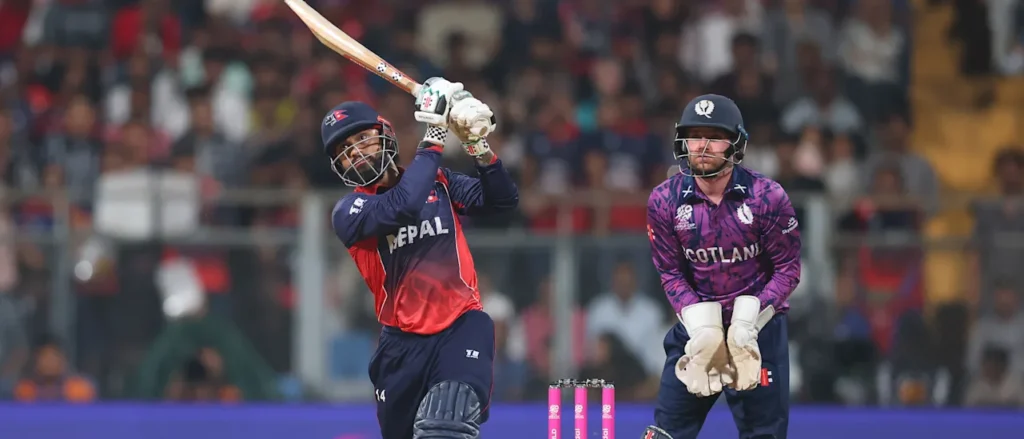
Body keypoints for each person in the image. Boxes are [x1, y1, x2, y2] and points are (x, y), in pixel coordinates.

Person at [326, 77, 518, 439]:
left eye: (361, 139)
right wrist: (436, 131)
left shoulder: (439, 181)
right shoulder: (350, 210)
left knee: (445, 425)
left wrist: (477, 145)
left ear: (384, 133)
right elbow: (403, 205)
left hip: (461, 324)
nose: (355, 151)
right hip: (400, 347)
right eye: (345, 149)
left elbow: (502, 200)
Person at [641, 94, 801, 439]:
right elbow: (670, 272)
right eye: (695, 136)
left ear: (736, 143)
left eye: (714, 137)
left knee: (764, 435)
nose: (702, 146)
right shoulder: (664, 200)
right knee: (665, 434)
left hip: (757, 333)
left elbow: (788, 268)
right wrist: (701, 326)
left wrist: (750, 319)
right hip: (698, 331)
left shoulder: (767, 196)